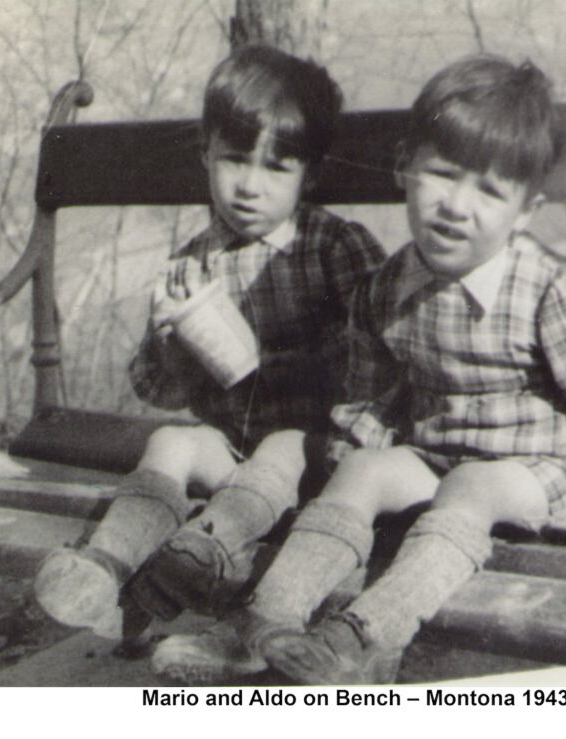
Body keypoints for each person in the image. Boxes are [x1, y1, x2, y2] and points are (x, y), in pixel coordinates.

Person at [149, 53, 566, 685]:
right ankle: (263, 625)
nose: (458, 205)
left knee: (471, 489)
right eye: (444, 175)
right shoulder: (388, 284)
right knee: (367, 468)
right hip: (431, 459)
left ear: (527, 209)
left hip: (529, 473)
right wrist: (344, 472)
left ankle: (363, 638)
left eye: (489, 190)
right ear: (406, 168)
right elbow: (370, 400)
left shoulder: (549, 289)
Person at [33, 44, 384, 639]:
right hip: (230, 452)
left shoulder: (333, 247)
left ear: (311, 174)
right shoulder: (191, 265)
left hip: (317, 458)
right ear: (205, 154)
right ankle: (105, 562)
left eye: (276, 168)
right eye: (234, 160)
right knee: (172, 439)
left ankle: (194, 558)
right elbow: (155, 389)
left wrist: (259, 359)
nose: (249, 186)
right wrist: (174, 351)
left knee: (288, 443)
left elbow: (377, 363)